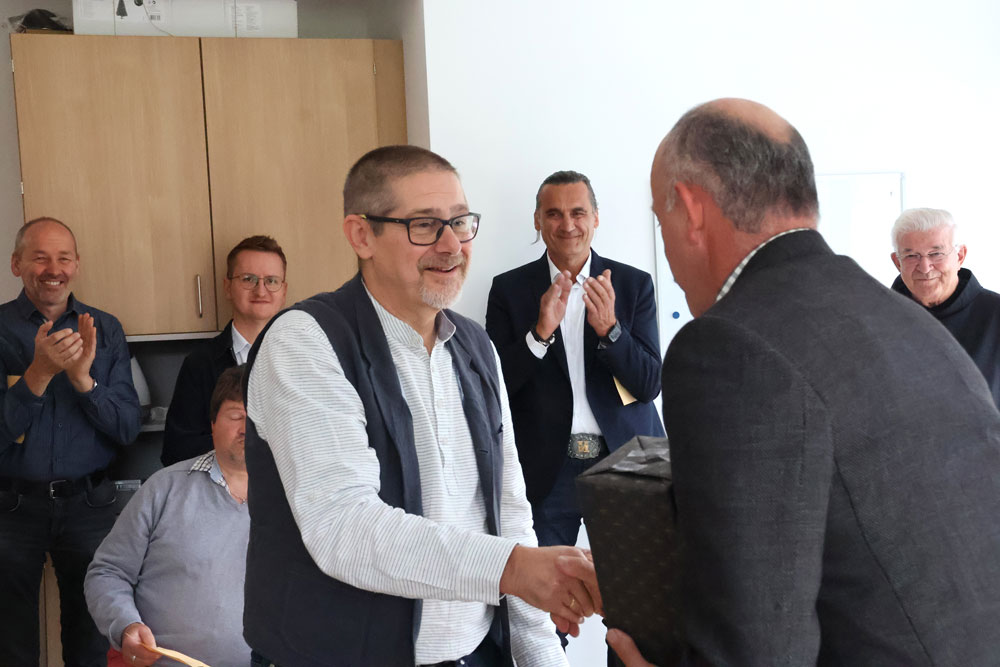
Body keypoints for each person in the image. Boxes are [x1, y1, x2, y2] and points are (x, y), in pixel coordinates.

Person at [586, 99, 1000, 666]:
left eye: (661, 222)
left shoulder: (729, 347)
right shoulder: (904, 319)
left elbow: (757, 645)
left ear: (690, 208)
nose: (669, 252)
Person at [243, 145, 599, 667]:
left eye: (461, 222)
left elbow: (510, 511)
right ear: (361, 235)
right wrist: (518, 569)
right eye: (425, 226)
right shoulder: (306, 341)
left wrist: (542, 654)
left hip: (473, 654)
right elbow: (344, 526)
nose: (452, 245)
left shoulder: (478, 349)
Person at [486, 171, 663, 551]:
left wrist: (611, 331)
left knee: (638, 597)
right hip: (545, 468)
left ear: (596, 218)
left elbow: (649, 384)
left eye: (578, 213)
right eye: (553, 214)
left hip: (628, 460)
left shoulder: (634, 285)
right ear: (537, 220)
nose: (567, 225)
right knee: (541, 604)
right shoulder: (508, 290)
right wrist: (540, 333)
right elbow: (494, 388)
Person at [0, 217, 141, 666]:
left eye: (63, 257)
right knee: (11, 640)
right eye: (39, 257)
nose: (52, 268)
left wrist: (84, 381)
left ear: (76, 265)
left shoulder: (106, 329)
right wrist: (38, 373)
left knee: (90, 639)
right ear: (16, 264)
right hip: (12, 509)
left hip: (90, 506)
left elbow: (126, 428)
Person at [86, 366, 251, 667]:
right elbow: (108, 572)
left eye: (258, 417)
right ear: (212, 423)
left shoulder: (296, 499)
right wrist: (126, 626)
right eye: (236, 416)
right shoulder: (163, 489)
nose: (246, 428)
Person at [161, 235, 287, 466]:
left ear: (284, 291)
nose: (261, 291)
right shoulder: (200, 363)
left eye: (271, 281)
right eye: (248, 279)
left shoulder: (304, 359)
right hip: (219, 493)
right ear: (228, 287)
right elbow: (177, 450)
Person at [889, 208, 1000, 407]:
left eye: (936, 254)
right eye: (912, 256)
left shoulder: (994, 314)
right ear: (897, 262)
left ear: (960, 256)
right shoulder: (878, 319)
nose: (924, 267)